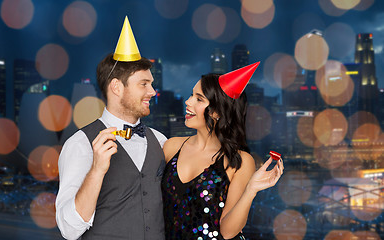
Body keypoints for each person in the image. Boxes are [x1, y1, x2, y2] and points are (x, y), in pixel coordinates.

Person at [55, 17, 166, 240]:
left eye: (151, 84)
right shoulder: (80, 144)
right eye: (144, 84)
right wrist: (96, 170)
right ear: (116, 87)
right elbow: (68, 230)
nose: (153, 92)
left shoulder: (161, 141)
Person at [161, 64, 284, 240]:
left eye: (199, 99)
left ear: (217, 112)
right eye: (191, 95)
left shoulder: (239, 161)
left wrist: (251, 189)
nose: (188, 102)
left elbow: (228, 232)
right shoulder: (171, 147)